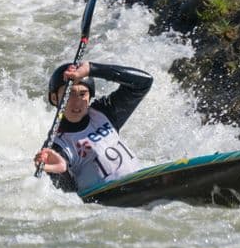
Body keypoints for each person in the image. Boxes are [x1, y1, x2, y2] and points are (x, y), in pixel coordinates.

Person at [34, 60, 153, 192]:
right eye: (70, 94)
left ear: (90, 96)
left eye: (82, 94)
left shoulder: (105, 112)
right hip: (110, 201)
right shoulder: (56, 146)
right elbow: (70, 198)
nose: (77, 103)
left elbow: (144, 82)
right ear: (55, 98)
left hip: (142, 180)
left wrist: (92, 69)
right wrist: (61, 173)